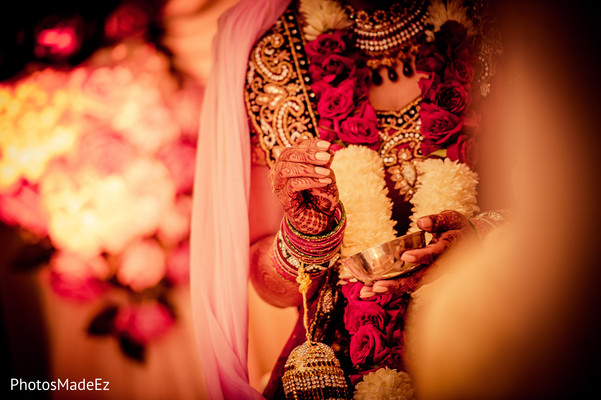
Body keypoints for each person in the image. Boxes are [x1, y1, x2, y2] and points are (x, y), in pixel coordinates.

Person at [190, 0, 508, 398]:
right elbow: (267, 283)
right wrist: (306, 235)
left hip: (508, 319)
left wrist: (484, 237)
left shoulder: (501, 24)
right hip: (347, 355)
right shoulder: (275, 60)